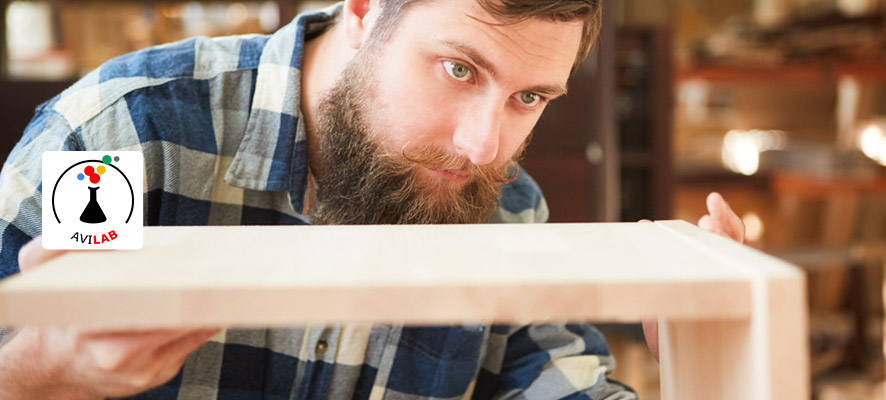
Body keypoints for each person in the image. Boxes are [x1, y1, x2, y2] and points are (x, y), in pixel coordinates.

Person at [0, 0, 745, 398]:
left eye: (529, 97)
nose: (484, 146)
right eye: (458, 69)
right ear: (362, 12)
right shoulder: (125, 136)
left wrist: (707, 365)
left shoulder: (505, 209)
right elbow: (37, 343)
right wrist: (48, 370)